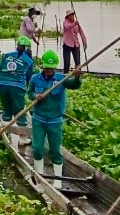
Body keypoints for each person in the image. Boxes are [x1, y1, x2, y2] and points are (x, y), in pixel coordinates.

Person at [28, 50, 81, 187]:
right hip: (39, 118)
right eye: (47, 68)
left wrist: (77, 77)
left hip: (55, 120)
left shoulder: (61, 79)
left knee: (55, 151)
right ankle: (39, 176)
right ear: (43, 67)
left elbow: (75, 85)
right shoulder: (35, 78)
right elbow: (29, 93)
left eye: (51, 68)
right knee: (38, 148)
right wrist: (35, 96)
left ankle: (58, 181)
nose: (49, 71)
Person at [0, 36, 36, 142]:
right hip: (17, 87)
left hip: (2, 84)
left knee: (7, 108)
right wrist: (28, 90)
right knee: (20, 112)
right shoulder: (28, 61)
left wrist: (1, 80)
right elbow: (30, 77)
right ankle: (23, 139)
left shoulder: (6, 55)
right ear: (28, 48)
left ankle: (6, 133)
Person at [61, 9, 88, 73]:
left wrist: (84, 41)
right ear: (67, 17)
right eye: (70, 16)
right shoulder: (65, 22)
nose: (71, 17)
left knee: (78, 63)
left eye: (72, 15)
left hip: (75, 44)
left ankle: (78, 75)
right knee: (67, 62)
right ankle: (65, 75)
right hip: (67, 44)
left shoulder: (76, 23)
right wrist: (74, 24)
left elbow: (81, 32)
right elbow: (67, 27)